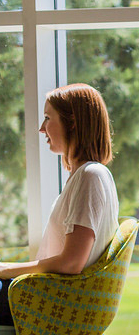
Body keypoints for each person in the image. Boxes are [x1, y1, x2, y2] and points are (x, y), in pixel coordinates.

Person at [0, 84, 120, 322]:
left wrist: (7, 270)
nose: (41, 129)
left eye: (47, 118)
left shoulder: (90, 177)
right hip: (43, 294)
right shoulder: (83, 177)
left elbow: (72, 262)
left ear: (72, 122)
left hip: (49, 302)